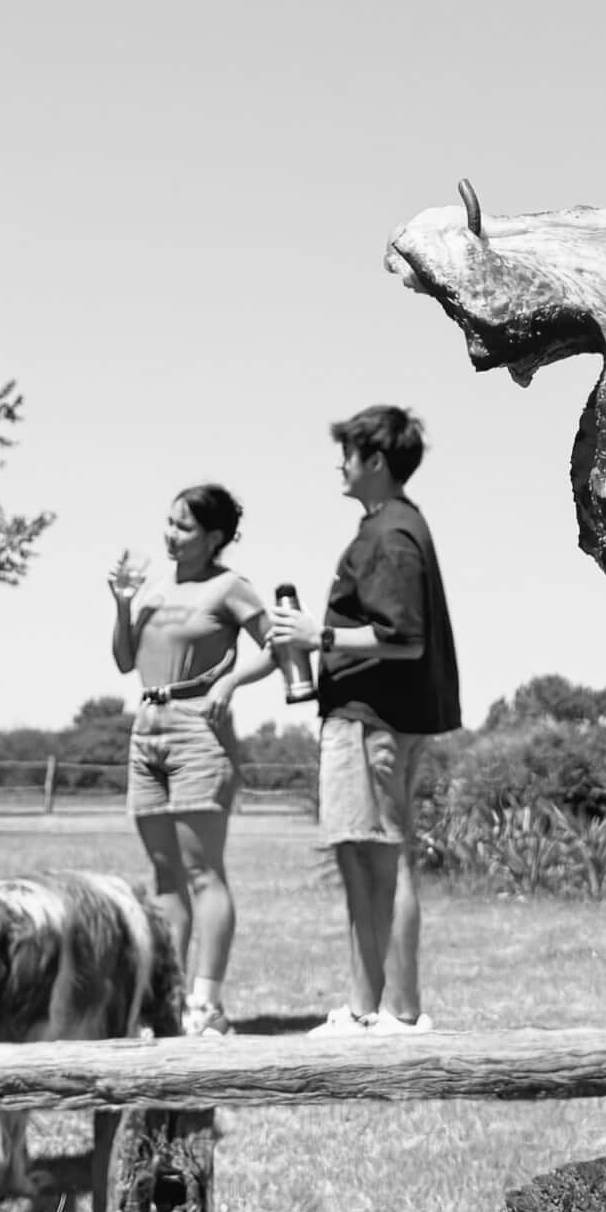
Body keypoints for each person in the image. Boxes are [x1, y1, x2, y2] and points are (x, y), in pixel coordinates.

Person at [271, 405, 459, 1034]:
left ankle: (394, 1014)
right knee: (366, 857)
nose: (340, 467)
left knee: (379, 858)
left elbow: (404, 638)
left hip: (370, 720)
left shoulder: (389, 535)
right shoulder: (394, 527)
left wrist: (317, 635)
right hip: (377, 718)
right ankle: (370, 1009)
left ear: (375, 461)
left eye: (347, 455)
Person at [108, 485, 275, 1031]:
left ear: (214, 536)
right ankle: (167, 1002)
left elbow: (279, 646)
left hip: (197, 730)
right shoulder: (154, 590)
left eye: (184, 527)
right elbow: (125, 661)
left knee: (203, 872)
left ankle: (206, 1004)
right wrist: (123, 604)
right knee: (164, 875)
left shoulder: (230, 587)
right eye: (169, 523)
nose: (171, 535)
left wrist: (229, 682)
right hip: (147, 728)